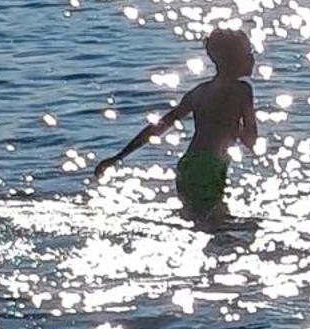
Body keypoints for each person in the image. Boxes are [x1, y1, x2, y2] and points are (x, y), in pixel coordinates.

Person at [93, 25, 258, 214]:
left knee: (201, 223)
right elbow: (251, 140)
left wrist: (118, 157)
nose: (253, 58)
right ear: (234, 59)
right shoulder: (242, 90)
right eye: (248, 53)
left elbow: (160, 127)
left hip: (188, 166)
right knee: (220, 231)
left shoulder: (199, 92)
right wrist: (234, 128)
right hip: (210, 167)